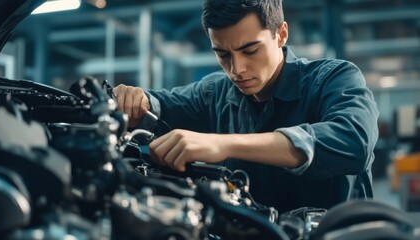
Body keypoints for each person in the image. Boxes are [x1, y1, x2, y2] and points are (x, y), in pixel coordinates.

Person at [114, 0, 379, 213]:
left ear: (281, 34)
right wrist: (134, 101)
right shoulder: (213, 92)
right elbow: (162, 105)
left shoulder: (333, 79)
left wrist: (223, 144)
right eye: (223, 54)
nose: (236, 69)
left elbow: (353, 141)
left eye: (250, 51)